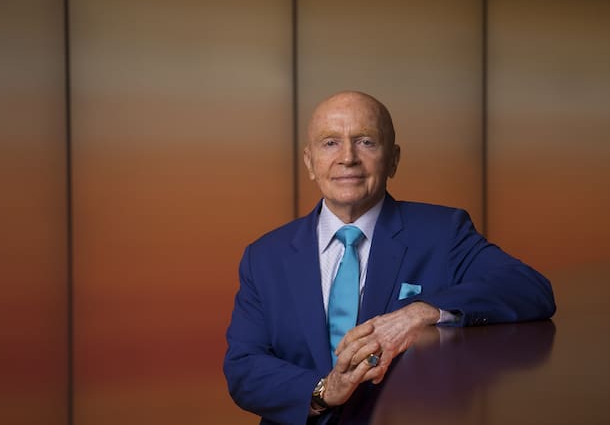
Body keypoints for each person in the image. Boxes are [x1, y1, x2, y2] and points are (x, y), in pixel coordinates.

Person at [224, 91, 555, 424]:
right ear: (309, 162)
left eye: (366, 141)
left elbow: (530, 288)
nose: (347, 158)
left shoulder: (442, 233)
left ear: (393, 159)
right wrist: (324, 390)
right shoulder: (265, 256)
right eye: (330, 143)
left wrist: (423, 312)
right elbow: (243, 367)